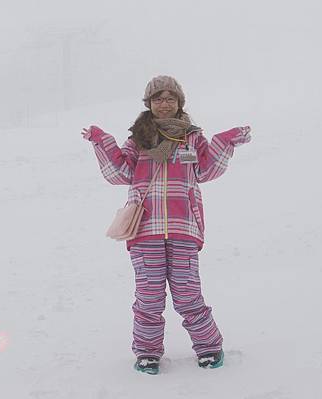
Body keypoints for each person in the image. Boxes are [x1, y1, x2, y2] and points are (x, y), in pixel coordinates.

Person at [81, 75, 251, 375]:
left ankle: (209, 347)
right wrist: (102, 141)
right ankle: (147, 353)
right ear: (149, 103)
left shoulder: (192, 138)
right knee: (149, 295)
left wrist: (226, 140)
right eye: (158, 98)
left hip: (184, 228)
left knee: (188, 293)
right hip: (145, 230)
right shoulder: (138, 140)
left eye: (170, 98)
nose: (164, 103)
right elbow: (120, 174)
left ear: (179, 103)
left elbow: (207, 169)